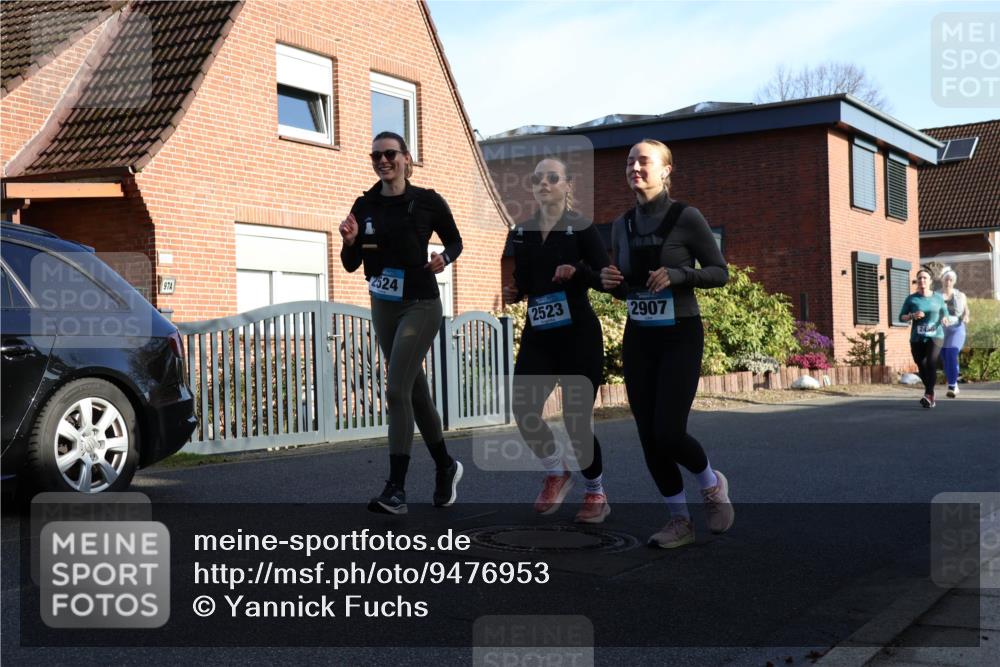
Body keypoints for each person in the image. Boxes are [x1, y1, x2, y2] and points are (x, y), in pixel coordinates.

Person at [599, 139, 733, 548]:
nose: (634, 167)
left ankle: (711, 486)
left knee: (669, 432)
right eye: (629, 162)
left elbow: (719, 272)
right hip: (640, 335)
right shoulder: (621, 224)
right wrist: (611, 285)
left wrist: (679, 276)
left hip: (680, 333)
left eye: (643, 161)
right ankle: (679, 520)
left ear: (666, 170)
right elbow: (627, 285)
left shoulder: (685, 217)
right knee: (647, 434)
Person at [340, 131, 463, 514]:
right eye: (376, 155)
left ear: (406, 158)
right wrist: (349, 240)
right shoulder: (365, 205)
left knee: (395, 387)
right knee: (414, 391)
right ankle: (446, 466)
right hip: (383, 303)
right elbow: (350, 264)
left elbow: (456, 241)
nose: (383, 160)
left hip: (421, 304)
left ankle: (396, 489)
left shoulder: (427, 201)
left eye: (390, 153)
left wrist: (445, 257)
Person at [502, 157, 612, 523]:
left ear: (568, 186)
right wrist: (515, 291)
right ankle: (556, 470)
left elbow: (608, 279)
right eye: (537, 179)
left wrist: (577, 272)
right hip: (540, 334)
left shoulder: (581, 228)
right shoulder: (522, 231)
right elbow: (525, 280)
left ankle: (596, 493)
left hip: (578, 334)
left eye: (553, 178)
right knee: (523, 408)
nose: (543, 183)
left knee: (576, 421)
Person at [898, 268, 948, 408]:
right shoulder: (912, 299)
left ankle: (928, 394)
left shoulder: (937, 297)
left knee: (931, 362)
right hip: (917, 338)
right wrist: (912, 316)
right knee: (921, 363)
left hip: (935, 336)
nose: (922, 280)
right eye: (919, 278)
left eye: (925, 278)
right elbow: (901, 317)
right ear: (917, 281)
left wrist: (945, 318)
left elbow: (944, 312)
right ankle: (930, 394)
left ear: (930, 281)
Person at [939, 267, 969, 398]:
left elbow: (966, 310)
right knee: (945, 358)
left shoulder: (960, 295)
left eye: (951, 280)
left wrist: (967, 316)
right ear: (942, 280)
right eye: (946, 279)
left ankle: (951, 385)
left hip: (957, 328)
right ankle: (954, 383)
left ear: (954, 281)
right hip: (941, 330)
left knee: (951, 353)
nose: (948, 282)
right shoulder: (936, 295)